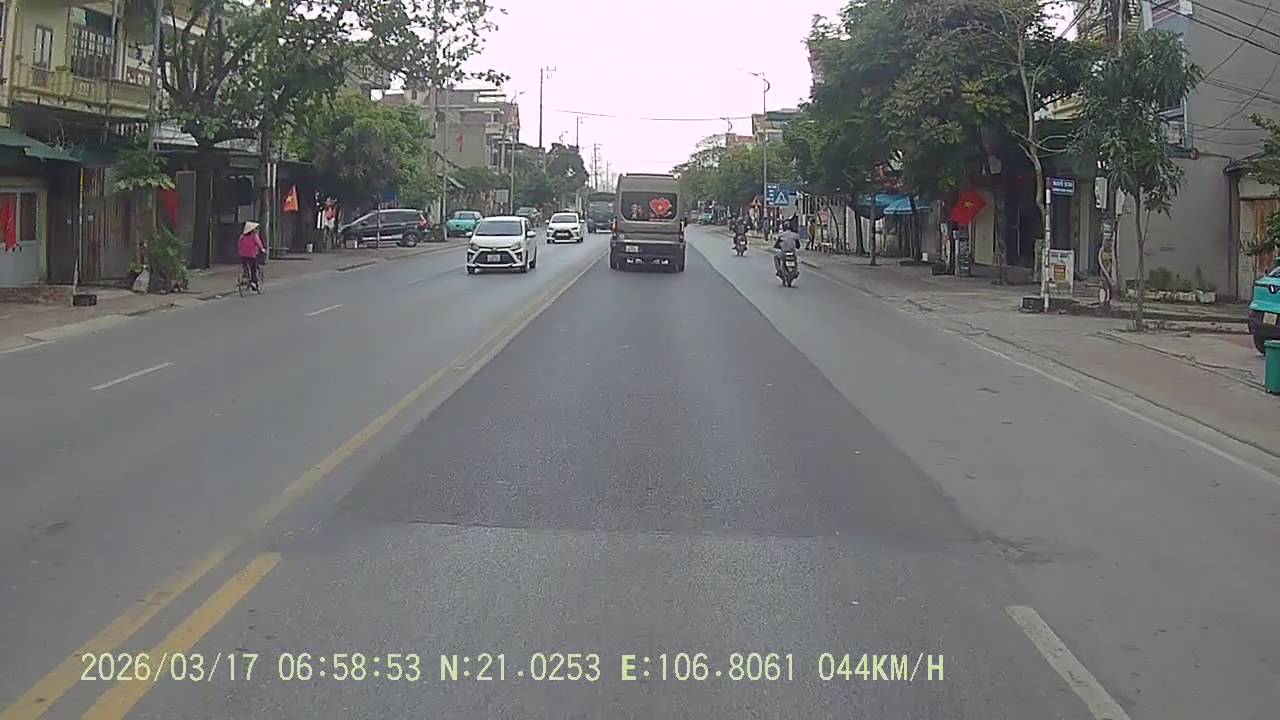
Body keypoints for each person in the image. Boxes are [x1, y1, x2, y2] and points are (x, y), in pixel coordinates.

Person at [238, 221, 265, 290]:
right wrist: (262, 249)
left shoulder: (242, 237)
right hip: (252, 255)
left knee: (245, 265)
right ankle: (253, 282)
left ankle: (245, 276)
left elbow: (239, 245)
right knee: (253, 268)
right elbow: (259, 244)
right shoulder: (254, 236)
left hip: (243, 255)